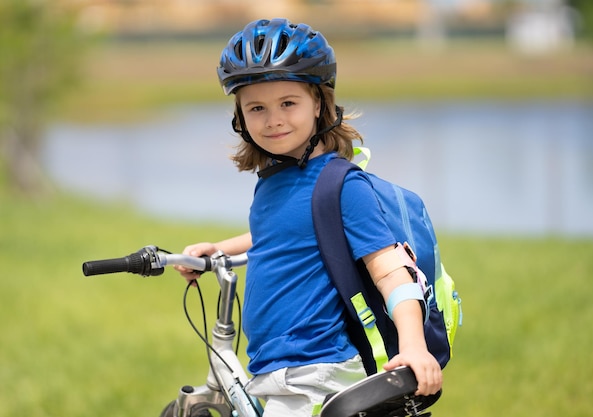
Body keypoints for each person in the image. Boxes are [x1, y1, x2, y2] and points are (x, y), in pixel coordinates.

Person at [175, 18, 442, 417]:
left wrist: (413, 347)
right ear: (240, 117)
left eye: (288, 103)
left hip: (318, 371)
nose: (273, 119)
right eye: (257, 108)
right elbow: (280, 233)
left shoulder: (343, 186)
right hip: (280, 371)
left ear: (318, 104)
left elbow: (392, 272)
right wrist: (220, 249)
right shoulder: (273, 182)